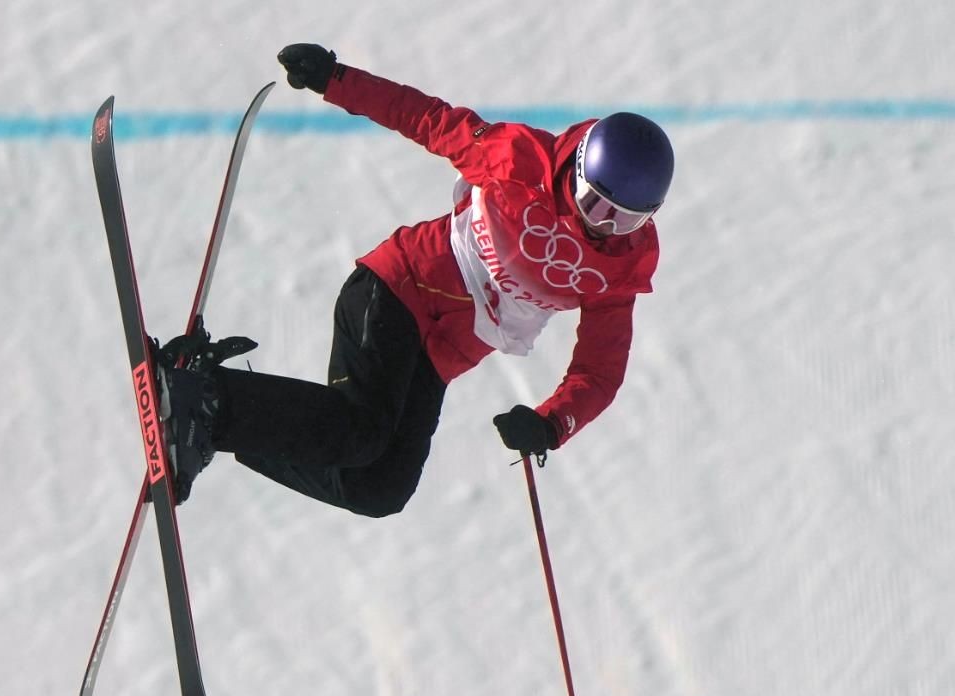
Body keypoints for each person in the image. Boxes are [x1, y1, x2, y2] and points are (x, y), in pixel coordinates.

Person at [154, 43, 674, 516]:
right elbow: (428, 120)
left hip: (438, 354)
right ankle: (207, 399)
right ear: (578, 169)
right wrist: (337, 79)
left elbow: (599, 372)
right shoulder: (516, 159)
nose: (600, 225)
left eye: (624, 220)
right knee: (360, 430)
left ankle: (212, 420)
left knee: (379, 488)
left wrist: (550, 423)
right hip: (399, 288)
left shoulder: (620, 269)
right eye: (593, 203)